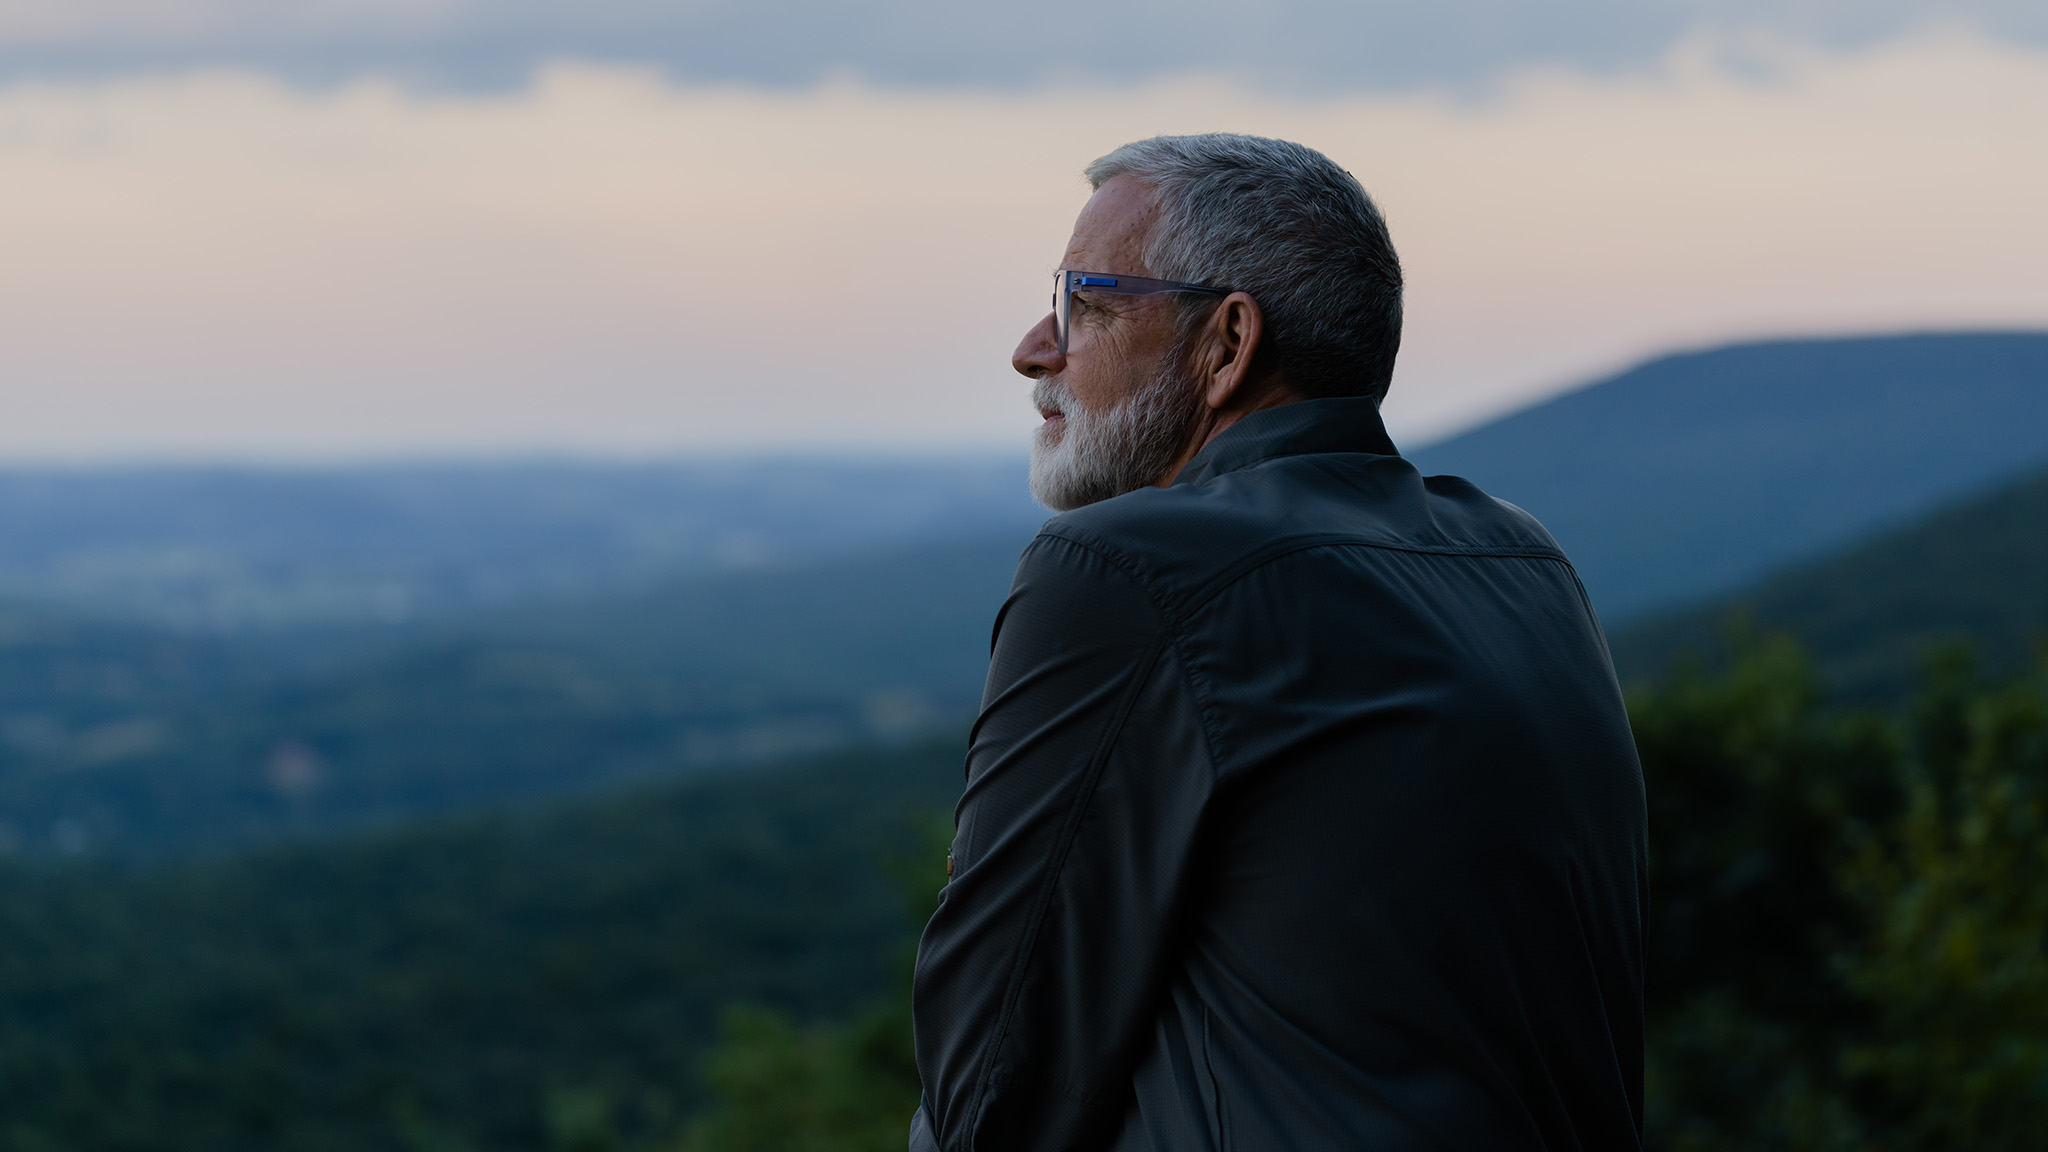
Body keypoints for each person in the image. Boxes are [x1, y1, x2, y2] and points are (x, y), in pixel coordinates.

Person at [909, 134, 1646, 1152]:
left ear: (1225, 344)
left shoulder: (1126, 567)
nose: (1035, 347)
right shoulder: (1522, 564)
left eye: (1085, 301)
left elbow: (993, 1081)